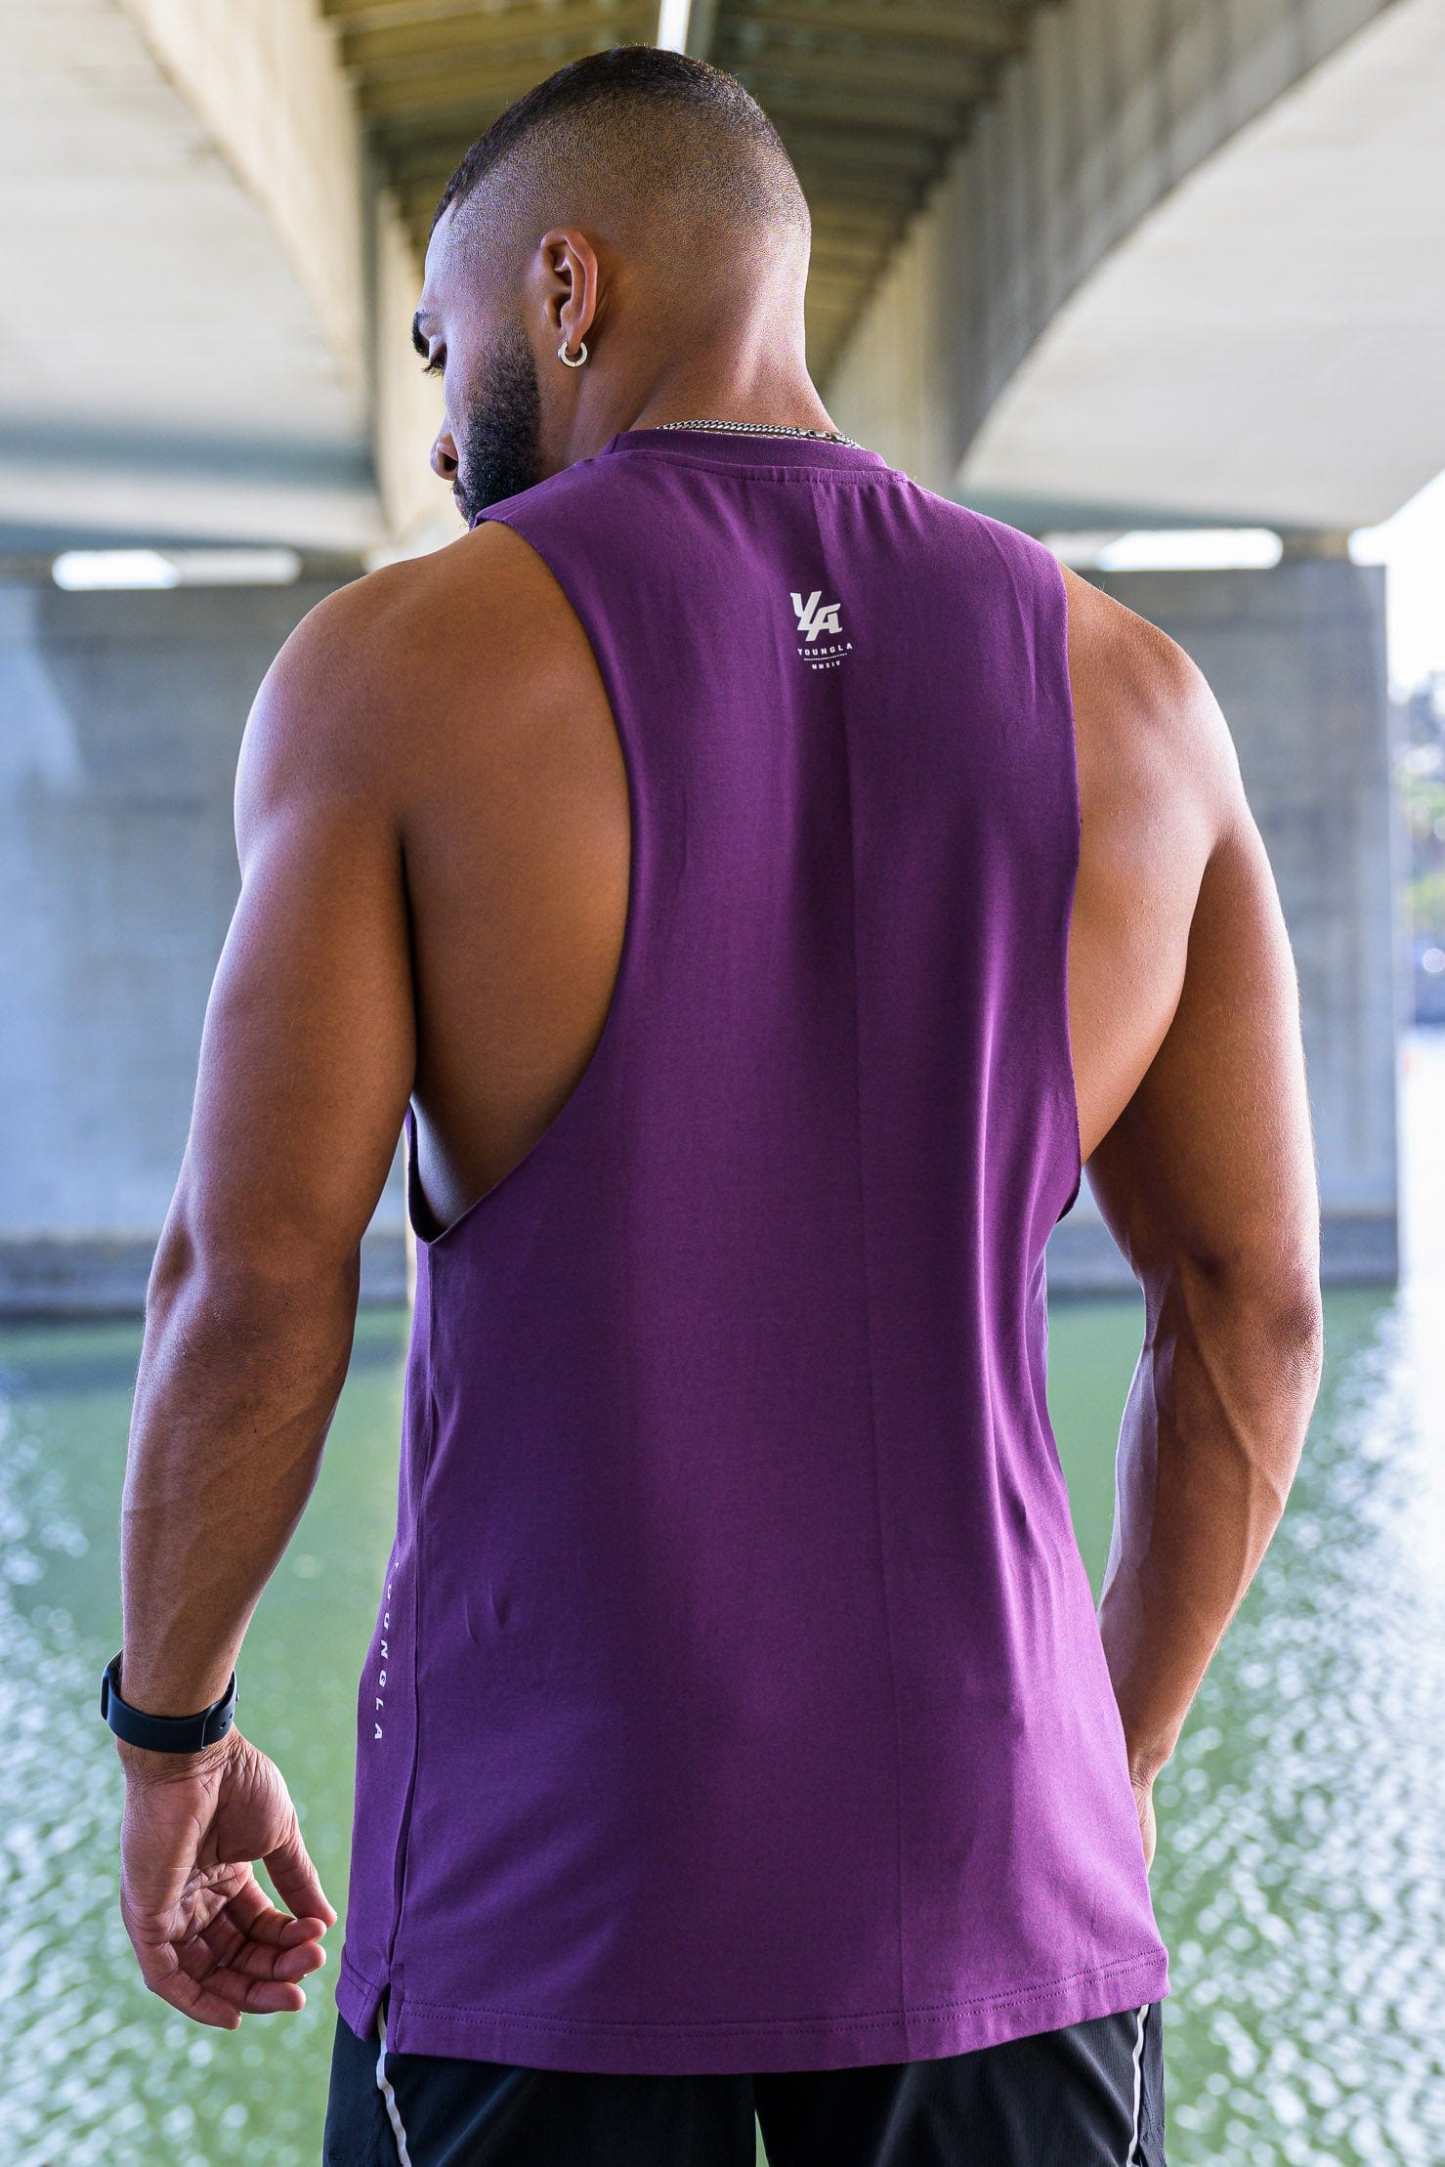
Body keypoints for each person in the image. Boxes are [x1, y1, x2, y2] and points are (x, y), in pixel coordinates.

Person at [106, 43, 1324, 2167]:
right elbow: (1256, 1310)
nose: (437, 422)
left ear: (565, 291)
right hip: (1008, 1910)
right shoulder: (1145, 701)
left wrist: (173, 1732)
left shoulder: (394, 676)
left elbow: (257, 1281)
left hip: (544, 1915)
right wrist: (1096, 1764)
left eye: (443, 343)